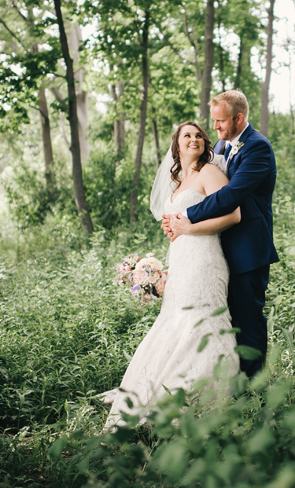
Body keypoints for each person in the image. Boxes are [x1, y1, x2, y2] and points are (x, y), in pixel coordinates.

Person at [103, 122, 240, 431]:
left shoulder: (209, 173)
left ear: (206, 143)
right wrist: (163, 251)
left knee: (201, 320)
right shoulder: (177, 181)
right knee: (175, 321)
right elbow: (174, 224)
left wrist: (187, 228)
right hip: (180, 259)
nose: (194, 140)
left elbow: (233, 214)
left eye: (198, 135)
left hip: (205, 258)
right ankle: (158, 400)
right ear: (177, 145)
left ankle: (202, 400)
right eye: (186, 136)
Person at [165, 90, 278, 377]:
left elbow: (230, 196)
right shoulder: (222, 146)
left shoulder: (257, 148)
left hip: (247, 249)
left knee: (247, 319)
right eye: (214, 121)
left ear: (239, 118)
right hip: (216, 248)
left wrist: (186, 216)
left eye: (220, 121)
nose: (214, 127)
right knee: (223, 319)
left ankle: (254, 387)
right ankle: (227, 378)